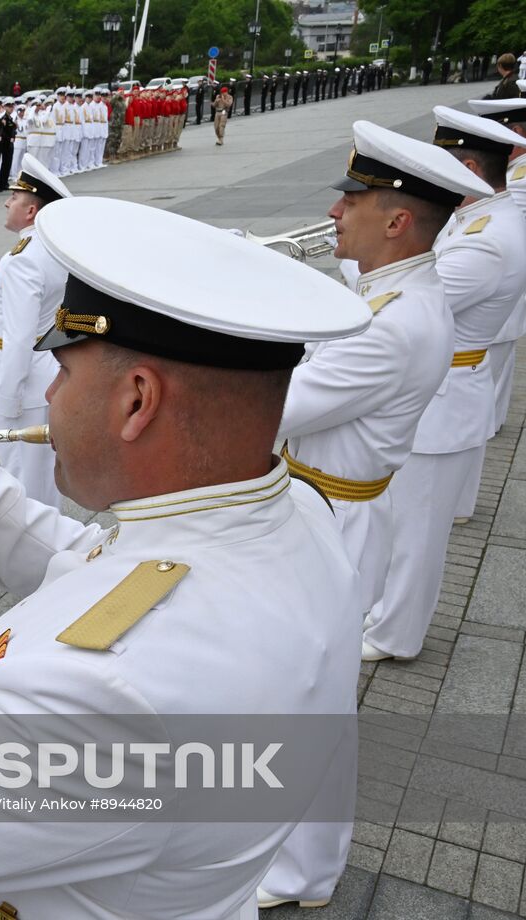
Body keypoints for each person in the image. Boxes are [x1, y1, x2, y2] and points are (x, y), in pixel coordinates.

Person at [0, 195, 369, 919]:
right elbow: (102, 575)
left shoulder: (117, 698)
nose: (49, 395)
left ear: (137, 401)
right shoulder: (288, 514)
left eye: (62, 373)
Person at [259, 120, 491, 911]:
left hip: (336, 519)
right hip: (332, 505)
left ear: (396, 221)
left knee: (310, 701)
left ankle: (304, 871)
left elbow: (273, 410)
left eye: (351, 200)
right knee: (299, 692)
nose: (333, 212)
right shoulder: (393, 294)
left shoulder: (392, 324)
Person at [362, 107, 526, 662]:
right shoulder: (483, 219)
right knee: (410, 524)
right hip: (445, 389)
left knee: (415, 535)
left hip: (443, 398)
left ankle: (395, 635)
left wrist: (361, 252)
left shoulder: (487, 241)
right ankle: (388, 618)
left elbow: (398, 294)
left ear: (470, 169)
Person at [0, 153, 71, 508]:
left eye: (15, 197)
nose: (7, 202)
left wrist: (7, 400)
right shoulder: (52, 248)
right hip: (46, 373)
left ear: (31, 211)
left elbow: (18, 338)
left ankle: (39, 557)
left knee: (26, 486)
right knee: (42, 478)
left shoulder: (22, 260)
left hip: (25, 386)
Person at [468, 91, 526, 433]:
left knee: (490, 378)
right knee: (496, 380)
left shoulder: (518, 183)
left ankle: (486, 429)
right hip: (505, 292)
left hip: (496, 294)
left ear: (516, 135)